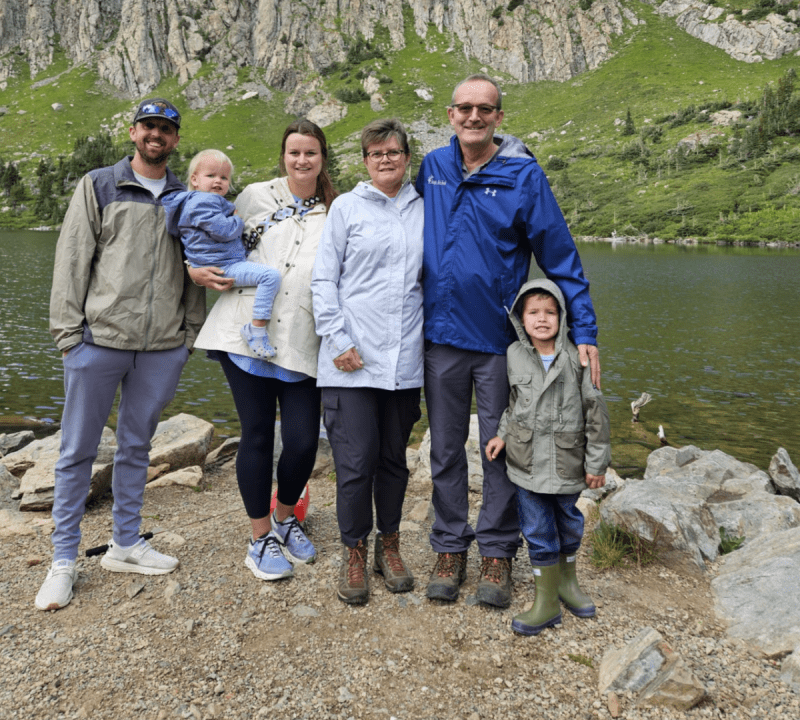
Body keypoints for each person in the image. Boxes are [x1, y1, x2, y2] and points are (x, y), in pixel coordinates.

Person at [414, 73, 601, 608]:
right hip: (441, 336)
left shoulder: (524, 176)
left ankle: (497, 551)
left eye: (485, 109)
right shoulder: (433, 167)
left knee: (503, 449)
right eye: (464, 108)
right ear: (451, 115)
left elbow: (560, 257)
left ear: (499, 117)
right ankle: (450, 546)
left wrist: (584, 329)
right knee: (445, 448)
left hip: (501, 343)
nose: (473, 116)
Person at [36, 98, 205, 611]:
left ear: (175, 139)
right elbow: (71, 260)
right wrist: (69, 338)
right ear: (133, 132)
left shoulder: (184, 196)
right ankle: (63, 560)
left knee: (136, 447)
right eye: (148, 125)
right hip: (97, 344)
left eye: (166, 128)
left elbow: (197, 266)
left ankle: (126, 543)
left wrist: (188, 336)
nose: (156, 134)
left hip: (161, 349)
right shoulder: (99, 185)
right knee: (76, 453)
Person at [189, 119, 335, 582]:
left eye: (310, 152)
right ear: (283, 156)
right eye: (294, 152)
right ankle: (260, 539)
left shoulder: (337, 209)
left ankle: (285, 517)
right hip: (243, 332)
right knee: (255, 435)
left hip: (303, 338)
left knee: (303, 441)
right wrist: (192, 268)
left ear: (322, 158)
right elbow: (200, 228)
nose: (301, 160)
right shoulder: (254, 195)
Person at [312, 118, 423, 605]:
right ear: (364, 161)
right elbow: (323, 280)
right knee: (356, 463)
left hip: (405, 360)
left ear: (406, 157)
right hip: (350, 360)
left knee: (393, 462)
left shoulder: (425, 208)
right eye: (375, 153)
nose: (385, 160)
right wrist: (337, 339)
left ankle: (389, 546)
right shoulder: (346, 208)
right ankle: (353, 550)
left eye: (393, 152)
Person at [485, 279, 610, 634]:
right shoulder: (514, 354)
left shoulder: (578, 356)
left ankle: (567, 583)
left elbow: (596, 412)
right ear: (520, 319)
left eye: (550, 312)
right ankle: (546, 602)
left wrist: (597, 463)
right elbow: (514, 404)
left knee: (569, 523)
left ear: (563, 317)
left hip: (567, 463)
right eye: (533, 313)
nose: (542, 319)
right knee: (538, 529)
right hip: (526, 464)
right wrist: (502, 435)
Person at [163, 149, 281, 359]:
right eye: (211, 175)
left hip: (217, 262)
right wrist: (237, 219)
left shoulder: (195, 201)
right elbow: (224, 230)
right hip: (223, 265)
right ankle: (256, 330)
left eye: (224, 178)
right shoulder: (203, 202)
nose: (218, 181)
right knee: (270, 277)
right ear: (194, 180)